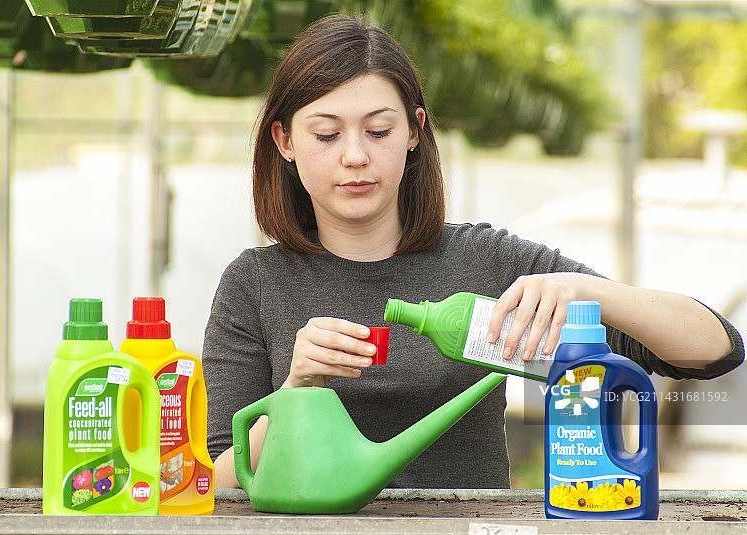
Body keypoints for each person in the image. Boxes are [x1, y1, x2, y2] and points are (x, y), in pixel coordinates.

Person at [202, 14, 744, 489]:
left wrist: (584, 291)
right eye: (326, 135)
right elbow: (214, 480)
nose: (355, 156)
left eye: (378, 130)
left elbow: (712, 350)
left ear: (415, 132)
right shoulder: (255, 283)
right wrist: (296, 392)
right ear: (284, 142)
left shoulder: (488, 263)